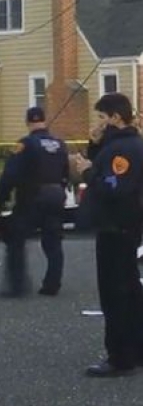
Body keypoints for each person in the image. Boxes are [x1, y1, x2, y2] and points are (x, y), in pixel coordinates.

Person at [73, 92, 143, 376]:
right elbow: (106, 163)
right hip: (125, 226)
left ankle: (120, 356)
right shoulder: (124, 145)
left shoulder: (127, 149)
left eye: (101, 117)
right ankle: (142, 349)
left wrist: (86, 172)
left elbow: (113, 185)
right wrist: (94, 145)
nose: (97, 123)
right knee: (131, 287)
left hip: (117, 226)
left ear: (116, 117)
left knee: (115, 293)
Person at [0, 107, 69, 298]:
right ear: (45, 121)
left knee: (15, 238)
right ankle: (52, 284)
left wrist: (2, 196)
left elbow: (10, 175)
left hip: (32, 196)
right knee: (53, 241)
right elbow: (65, 172)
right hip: (56, 195)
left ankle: (17, 285)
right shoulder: (60, 144)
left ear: (28, 122)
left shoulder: (25, 144)